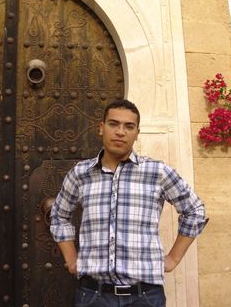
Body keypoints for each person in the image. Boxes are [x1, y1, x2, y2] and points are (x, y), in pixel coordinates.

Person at [50, 99, 207, 307]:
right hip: (93, 295)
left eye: (129, 126)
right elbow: (59, 215)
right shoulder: (81, 174)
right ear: (101, 128)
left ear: (137, 133)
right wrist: (71, 258)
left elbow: (195, 211)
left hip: (145, 297)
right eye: (113, 124)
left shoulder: (157, 172)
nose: (120, 132)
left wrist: (174, 258)